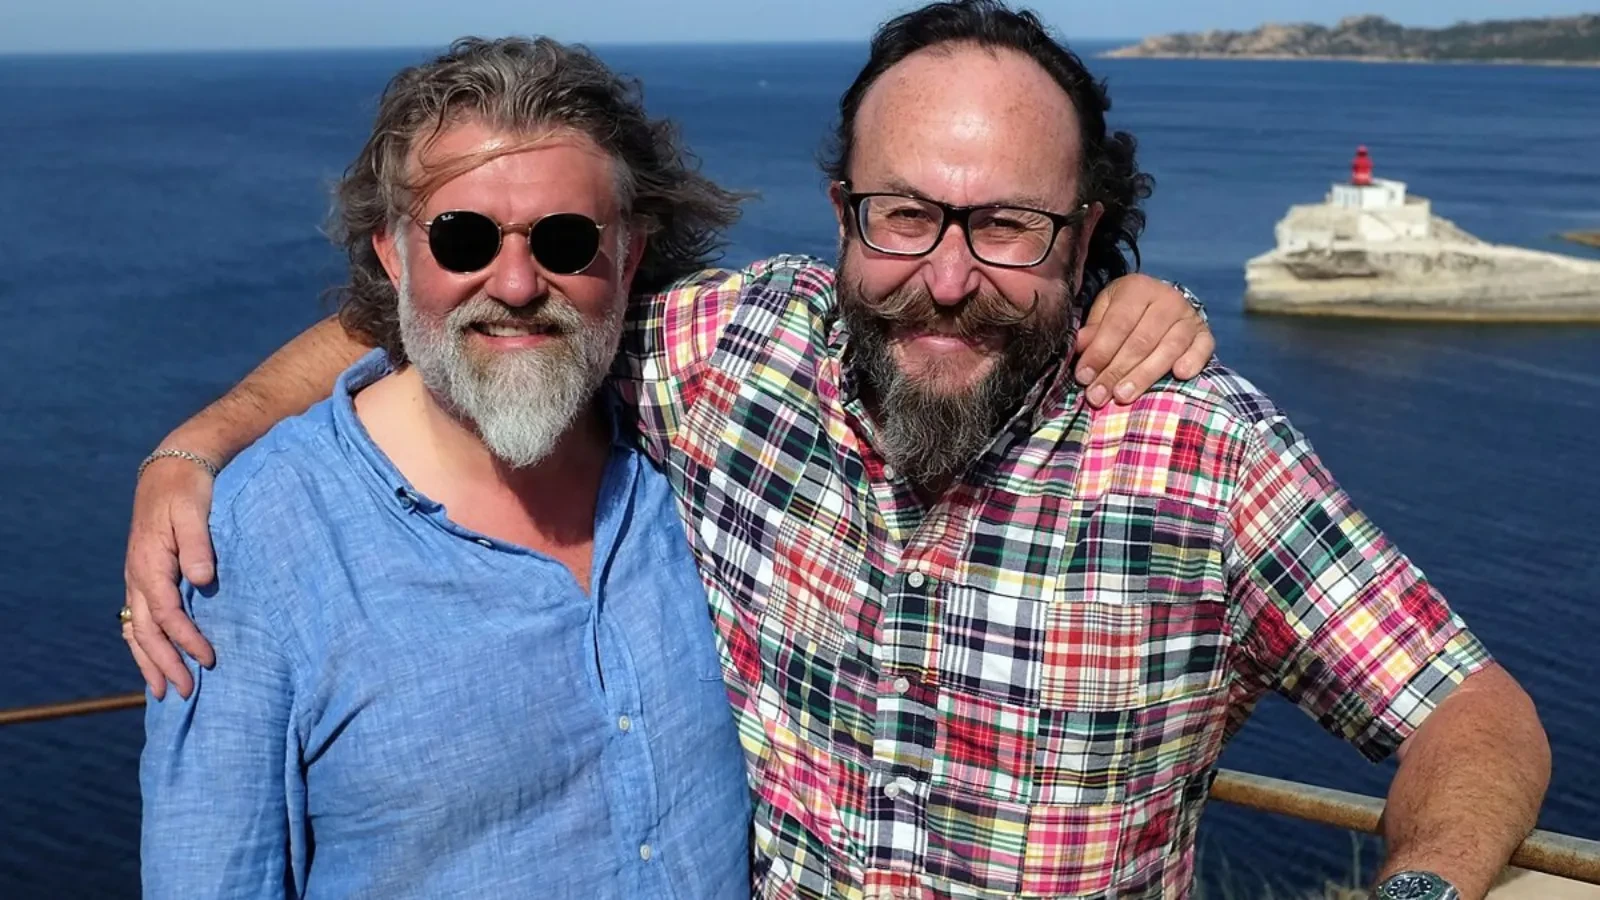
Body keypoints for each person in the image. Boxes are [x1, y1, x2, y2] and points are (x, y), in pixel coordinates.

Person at [130, 3, 1551, 898]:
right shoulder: (734, 355)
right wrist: (197, 443)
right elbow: (488, 312)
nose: (946, 275)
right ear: (842, 209)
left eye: (1008, 224)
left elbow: (1477, 717)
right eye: (905, 214)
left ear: (1088, 234)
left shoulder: (1198, 457)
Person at [136, 37, 762, 899]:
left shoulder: (696, 453)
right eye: (463, 238)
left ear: (628, 252)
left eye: (566, 238)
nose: (513, 282)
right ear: (393, 256)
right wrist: (191, 449)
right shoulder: (256, 544)